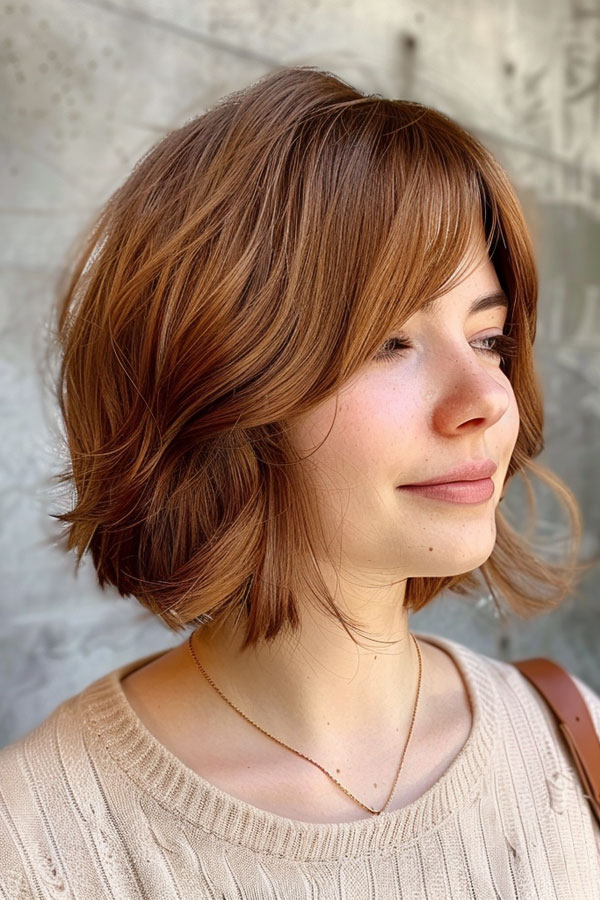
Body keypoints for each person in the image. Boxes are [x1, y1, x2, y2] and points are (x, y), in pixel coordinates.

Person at [1, 65, 598, 899]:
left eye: (490, 338)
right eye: (390, 341)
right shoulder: (36, 843)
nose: (485, 402)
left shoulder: (573, 745)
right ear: (220, 379)